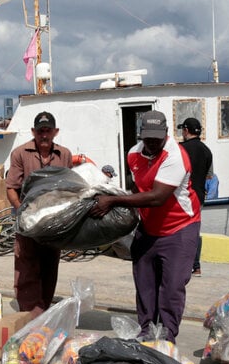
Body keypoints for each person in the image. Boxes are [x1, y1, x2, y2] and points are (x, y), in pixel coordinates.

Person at [89, 110, 199, 343]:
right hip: (148, 228)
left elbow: (157, 197)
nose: (151, 143)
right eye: (147, 138)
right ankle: (147, 330)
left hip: (179, 227)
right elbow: (139, 190)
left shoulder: (175, 155)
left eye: (156, 138)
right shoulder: (133, 155)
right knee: (145, 284)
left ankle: (167, 336)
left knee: (171, 288)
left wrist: (113, 201)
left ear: (167, 133)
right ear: (141, 135)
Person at [5, 112, 73, 317]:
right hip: (28, 221)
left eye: (48, 130)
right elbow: (11, 187)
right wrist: (22, 212)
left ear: (55, 132)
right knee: (27, 264)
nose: (44, 135)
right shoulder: (19, 153)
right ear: (34, 132)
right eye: (40, 131)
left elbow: (70, 186)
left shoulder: (65, 154)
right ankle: (29, 312)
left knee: (50, 265)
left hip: (54, 222)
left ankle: (43, 308)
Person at [178, 117, 213, 277]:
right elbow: (209, 176)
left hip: (182, 196)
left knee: (177, 230)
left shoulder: (180, 149)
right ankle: (196, 266)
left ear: (186, 130)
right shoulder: (207, 151)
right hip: (198, 197)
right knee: (194, 231)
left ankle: (180, 264)